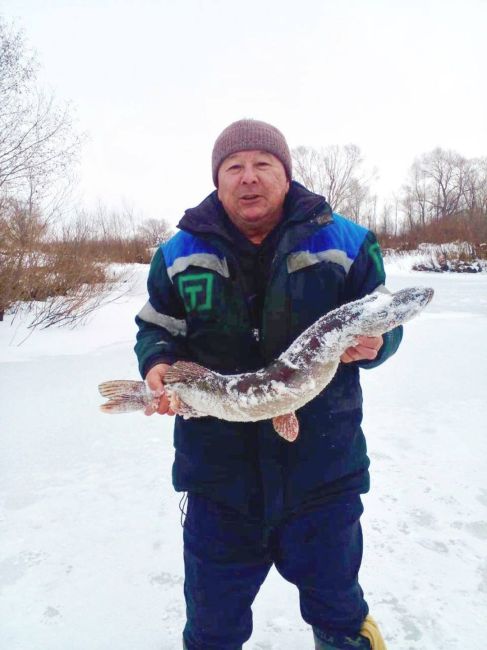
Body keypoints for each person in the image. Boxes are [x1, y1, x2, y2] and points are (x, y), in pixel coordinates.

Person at [134, 119, 402, 650]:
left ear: (286, 175)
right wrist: (159, 365)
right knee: (212, 628)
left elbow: (382, 319)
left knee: (340, 614)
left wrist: (380, 345)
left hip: (323, 473)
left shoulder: (346, 242)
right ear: (218, 179)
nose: (249, 177)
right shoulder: (177, 253)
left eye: (263, 165)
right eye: (234, 167)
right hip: (217, 480)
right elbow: (158, 328)